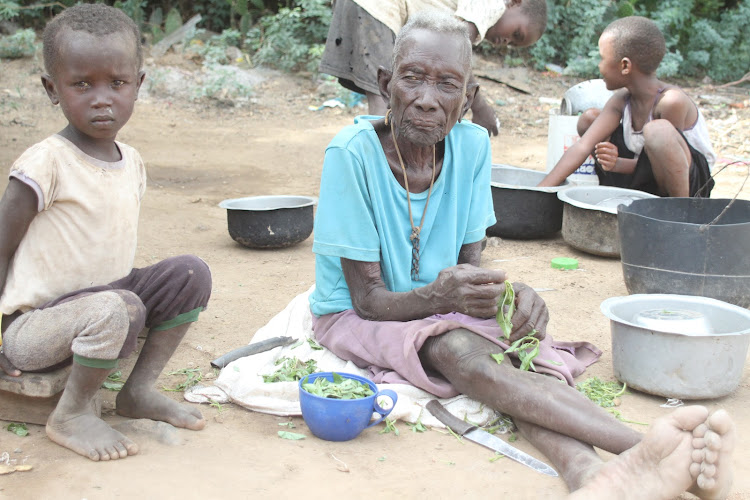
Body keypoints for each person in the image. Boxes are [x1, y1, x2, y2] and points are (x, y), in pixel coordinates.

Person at [309, 11, 733, 497]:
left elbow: (469, 270)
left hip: (436, 306)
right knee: (461, 353)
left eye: (448, 84)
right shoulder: (352, 154)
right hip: (363, 314)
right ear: (386, 83)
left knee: (516, 354)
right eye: (412, 79)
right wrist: (440, 299)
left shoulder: (470, 148)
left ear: (467, 100)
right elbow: (368, 300)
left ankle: (589, 475)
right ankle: (644, 450)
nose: (427, 100)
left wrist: (511, 296)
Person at [0, 4, 212, 461]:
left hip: (108, 308)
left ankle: (137, 391)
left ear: (138, 84)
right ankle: (71, 414)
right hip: (35, 329)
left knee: (191, 273)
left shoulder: (131, 160)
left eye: (117, 83)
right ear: (51, 90)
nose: (102, 98)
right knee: (119, 305)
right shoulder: (45, 162)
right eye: (81, 84)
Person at [538, 16, 715, 197]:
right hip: (643, 175)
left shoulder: (671, 101)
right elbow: (583, 146)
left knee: (658, 131)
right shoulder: (622, 99)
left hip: (689, 186)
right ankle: (619, 197)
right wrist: (539, 192)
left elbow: (664, 163)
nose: (599, 66)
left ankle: (679, 216)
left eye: (602, 58)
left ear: (625, 65)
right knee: (589, 119)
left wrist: (618, 164)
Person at [319, 0, 547, 136]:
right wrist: (480, 107)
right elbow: (456, 47)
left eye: (514, 44)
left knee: (390, 98)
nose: (506, 42)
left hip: (362, 6)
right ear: (516, 2)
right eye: (516, 34)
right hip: (378, 7)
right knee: (387, 101)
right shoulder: (495, 3)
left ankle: (379, 174)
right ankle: (380, 178)